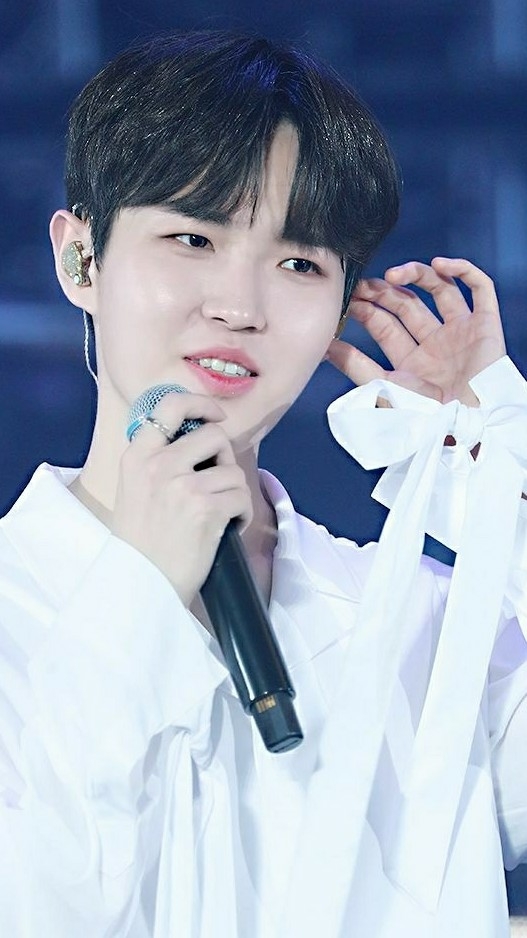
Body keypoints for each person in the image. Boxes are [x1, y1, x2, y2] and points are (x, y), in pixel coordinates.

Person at [0, 29, 526, 938]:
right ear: (80, 259)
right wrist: (135, 603)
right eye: (192, 237)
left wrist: (490, 474)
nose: (239, 306)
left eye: (297, 263)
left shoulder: (421, 624)